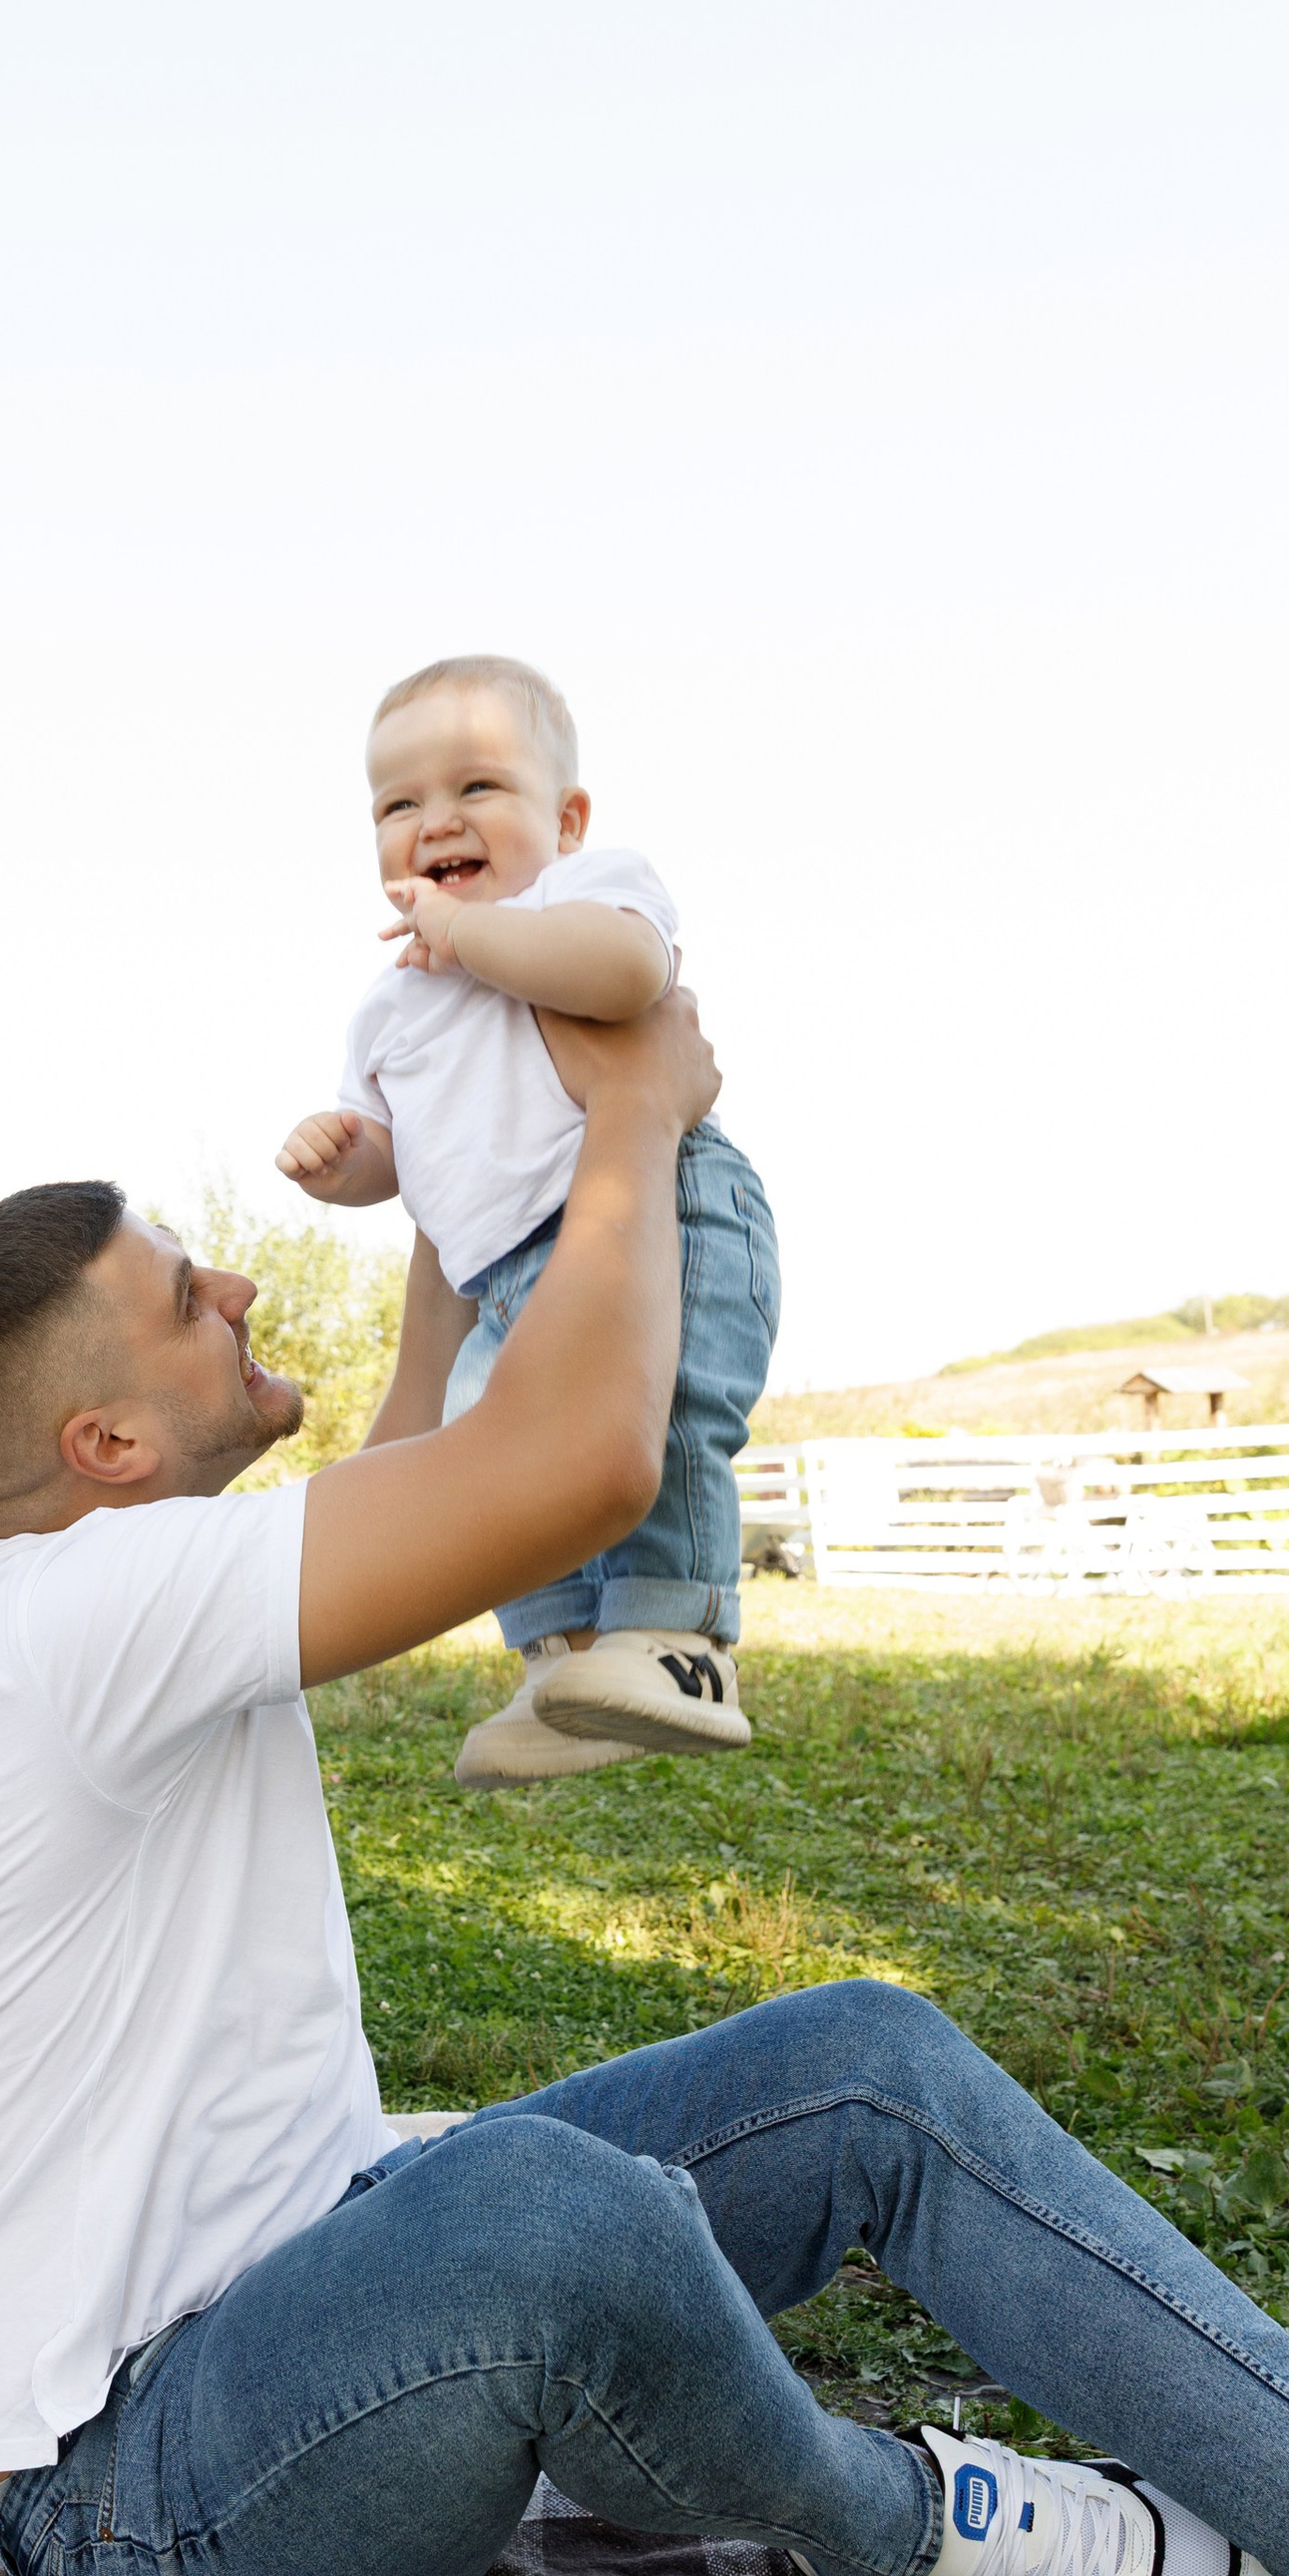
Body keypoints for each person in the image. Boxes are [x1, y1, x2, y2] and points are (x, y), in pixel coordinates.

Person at [0, 993, 1289, 2576]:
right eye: (184, 1298)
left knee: (864, 2067)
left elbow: (432, 1466)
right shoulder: (66, 1614)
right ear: (102, 1447)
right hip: (145, 2503)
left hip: (312, 2286)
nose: (233, 1287)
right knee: (538, 2208)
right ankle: (908, 2519)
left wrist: (464, 1181)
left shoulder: (92, 1580)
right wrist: (635, 1119)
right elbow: (581, 1463)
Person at [276, 651, 779, 1787]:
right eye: (397, 804)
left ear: (567, 818)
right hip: (502, 1274)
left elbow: (626, 977)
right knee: (491, 1450)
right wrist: (340, 1157)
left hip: (668, 1210)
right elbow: (397, 1162)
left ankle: (679, 1639)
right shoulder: (388, 1005)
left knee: (667, 1406)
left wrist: (468, 936)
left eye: (475, 789)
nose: (434, 819)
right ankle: (561, 1666)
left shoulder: (578, 894)